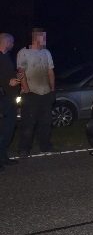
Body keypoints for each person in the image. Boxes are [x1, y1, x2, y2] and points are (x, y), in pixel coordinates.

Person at [16, 28, 55, 156]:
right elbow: (21, 72)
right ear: (35, 37)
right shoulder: (24, 52)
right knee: (28, 123)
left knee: (46, 122)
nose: (45, 39)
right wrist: (26, 90)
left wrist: (52, 89)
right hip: (31, 93)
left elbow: (50, 72)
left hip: (46, 93)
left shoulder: (46, 52)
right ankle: (24, 149)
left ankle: (45, 146)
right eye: (43, 37)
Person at [0, 33, 21, 169]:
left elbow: (7, 75)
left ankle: (3, 157)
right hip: (3, 100)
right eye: (11, 42)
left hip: (11, 99)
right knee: (3, 130)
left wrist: (16, 76)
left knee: (9, 130)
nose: (13, 44)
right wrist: (8, 83)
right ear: (6, 41)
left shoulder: (6, 57)